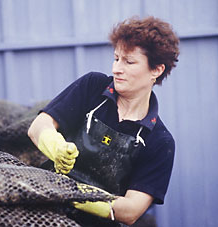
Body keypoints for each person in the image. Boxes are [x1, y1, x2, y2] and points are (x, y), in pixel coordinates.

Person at [28, 15, 179, 226]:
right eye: (116, 58)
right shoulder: (92, 87)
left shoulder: (160, 142)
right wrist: (55, 146)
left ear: (156, 70)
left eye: (129, 61)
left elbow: (131, 210)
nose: (117, 68)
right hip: (44, 207)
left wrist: (75, 194)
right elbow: (38, 127)